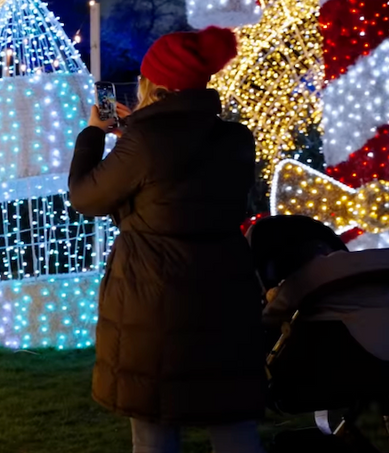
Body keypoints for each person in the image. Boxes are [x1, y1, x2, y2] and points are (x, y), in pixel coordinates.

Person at [68, 26, 265, 453]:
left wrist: (94, 133)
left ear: (153, 83)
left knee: (155, 429)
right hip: (227, 293)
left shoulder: (144, 141)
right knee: (233, 423)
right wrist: (135, 138)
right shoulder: (235, 138)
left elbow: (85, 197)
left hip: (155, 299)